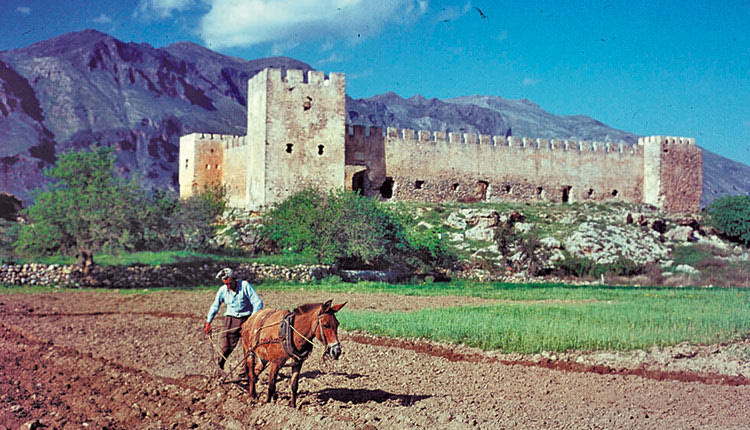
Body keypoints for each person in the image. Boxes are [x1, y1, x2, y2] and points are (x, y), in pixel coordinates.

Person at [204, 268, 263, 379]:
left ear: (234, 280)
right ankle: (219, 367)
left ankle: (244, 374)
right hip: (230, 320)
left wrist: (251, 321)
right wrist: (208, 322)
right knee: (225, 347)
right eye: (226, 284)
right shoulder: (223, 290)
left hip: (247, 319)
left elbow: (258, 303)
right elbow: (215, 306)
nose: (229, 286)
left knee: (248, 348)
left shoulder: (244, 285)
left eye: (230, 283)